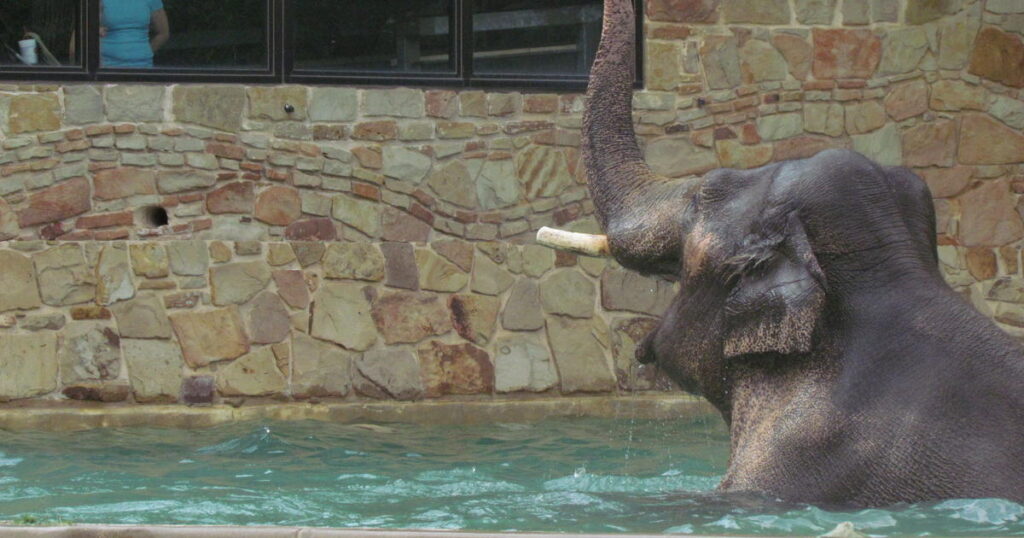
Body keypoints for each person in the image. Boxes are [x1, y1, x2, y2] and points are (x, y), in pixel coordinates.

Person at [100, 0, 169, 67]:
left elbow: (163, 33)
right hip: (106, 65)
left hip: (143, 65)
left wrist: (144, 52)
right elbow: (91, 30)